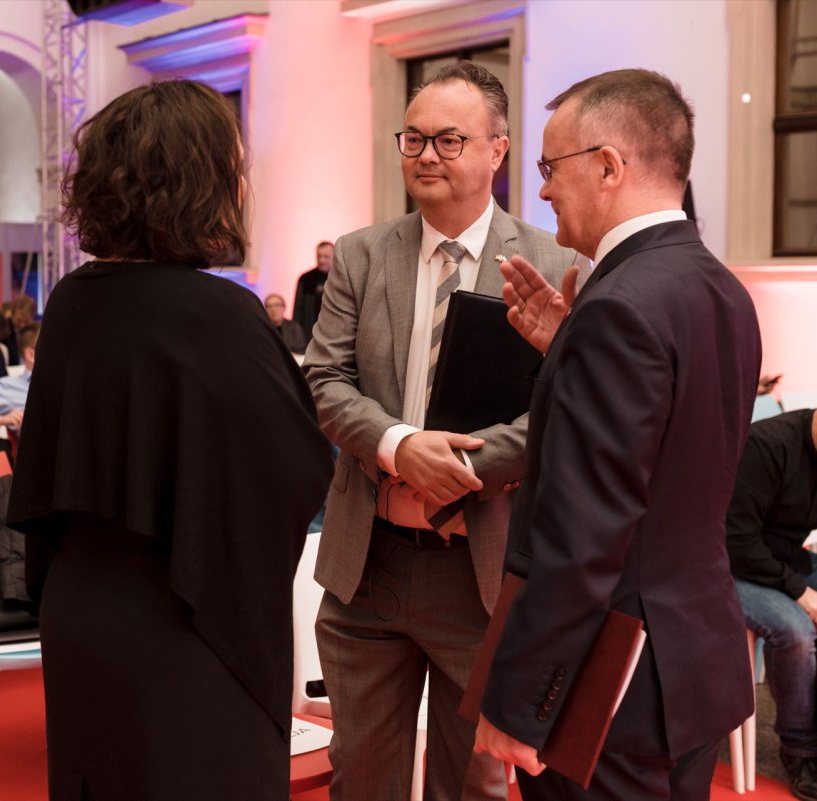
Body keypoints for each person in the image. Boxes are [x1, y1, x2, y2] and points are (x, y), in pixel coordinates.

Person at [7, 79, 332, 801]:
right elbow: (295, 470)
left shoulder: (70, 303)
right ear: (201, 181)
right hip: (186, 621)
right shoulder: (221, 314)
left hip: (82, 609)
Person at [473, 68, 761, 801]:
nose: (539, 191)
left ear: (608, 164)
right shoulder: (718, 285)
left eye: (548, 167)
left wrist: (517, 705)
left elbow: (584, 535)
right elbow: (672, 451)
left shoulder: (620, 305)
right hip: (694, 660)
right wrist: (568, 349)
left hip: (617, 679)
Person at [304, 61, 583, 801]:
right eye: (414, 138)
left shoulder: (556, 263)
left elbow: (565, 405)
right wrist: (400, 446)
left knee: (474, 787)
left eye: (449, 140)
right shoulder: (362, 255)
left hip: (482, 574)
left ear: (498, 148)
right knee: (361, 780)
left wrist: (462, 463)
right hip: (371, 569)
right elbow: (324, 382)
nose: (426, 155)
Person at [724, 409, 817, 801]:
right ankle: (800, 749)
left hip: (785, 558)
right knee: (793, 631)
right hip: (728, 566)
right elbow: (737, 540)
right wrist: (801, 593)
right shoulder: (769, 445)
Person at [293, 240, 334, 344]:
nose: (322, 260)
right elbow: (297, 311)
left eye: (326, 256)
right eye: (319, 256)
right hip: (309, 336)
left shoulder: (341, 279)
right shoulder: (305, 279)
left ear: (334, 256)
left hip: (334, 335)